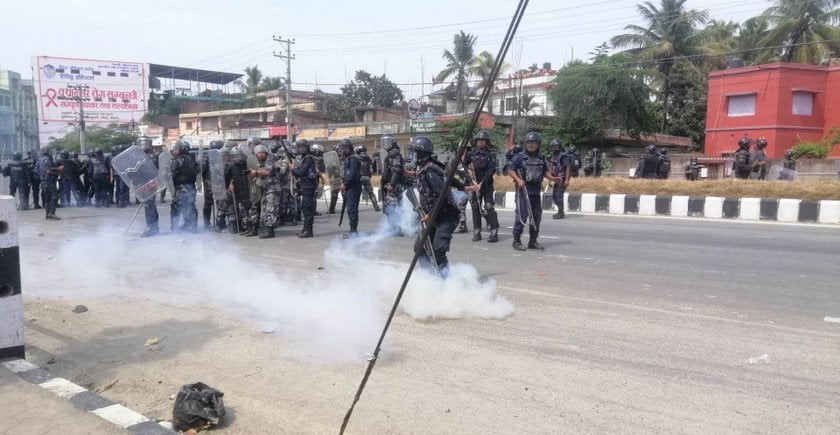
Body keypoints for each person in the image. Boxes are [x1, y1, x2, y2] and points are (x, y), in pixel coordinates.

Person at [410, 136, 478, 274]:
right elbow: (449, 178)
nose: (413, 155)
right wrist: (463, 187)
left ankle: (446, 281)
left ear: (421, 154)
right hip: (432, 216)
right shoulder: (426, 168)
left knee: (438, 250)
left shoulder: (429, 171)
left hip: (446, 215)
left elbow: (442, 195)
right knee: (420, 249)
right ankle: (430, 277)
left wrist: (430, 214)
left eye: (415, 152)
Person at [507, 132, 558, 251]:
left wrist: (552, 178)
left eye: (534, 143)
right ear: (525, 144)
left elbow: (545, 171)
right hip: (523, 190)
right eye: (529, 142)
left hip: (535, 191)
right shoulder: (519, 157)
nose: (531, 145)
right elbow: (510, 169)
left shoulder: (541, 158)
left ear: (538, 144)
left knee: (536, 217)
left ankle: (533, 241)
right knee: (522, 215)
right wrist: (518, 180)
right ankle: (516, 240)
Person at [463, 129, 501, 242]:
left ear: (487, 142)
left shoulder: (491, 155)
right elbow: (464, 164)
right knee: (475, 207)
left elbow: (491, 170)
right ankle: (477, 232)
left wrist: (482, 183)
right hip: (475, 183)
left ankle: (494, 231)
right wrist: (468, 173)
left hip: (486, 184)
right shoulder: (472, 154)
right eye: (478, 140)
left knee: (489, 206)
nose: (480, 142)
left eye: (483, 140)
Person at [247, 144, 284, 239]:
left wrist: (255, 172)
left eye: (263, 152)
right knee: (264, 210)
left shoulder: (269, 159)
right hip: (264, 189)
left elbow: (267, 172)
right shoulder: (257, 162)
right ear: (256, 154)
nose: (262, 154)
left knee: (271, 209)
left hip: (273, 189)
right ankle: (265, 229)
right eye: (259, 153)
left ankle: (270, 231)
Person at [291, 139, 319, 238]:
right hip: (305, 185)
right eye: (300, 147)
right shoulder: (303, 158)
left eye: (303, 147)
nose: (301, 149)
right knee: (304, 208)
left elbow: (301, 172)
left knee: (307, 209)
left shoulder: (308, 158)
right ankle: (305, 229)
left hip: (309, 185)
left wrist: (293, 169)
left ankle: (309, 231)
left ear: (307, 148)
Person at [380, 134, 407, 233]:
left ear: (393, 142)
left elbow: (397, 169)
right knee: (393, 206)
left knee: (391, 207)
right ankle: (395, 228)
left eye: (388, 142)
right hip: (393, 185)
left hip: (394, 186)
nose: (386, 144)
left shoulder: (394, 154)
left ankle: (395, 229)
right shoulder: (391, 153)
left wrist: (391, 183)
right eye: (385, 142)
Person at [170, 141, 199, 233]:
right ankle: (193, 226)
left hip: (180, 187)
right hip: (191, 187)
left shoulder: (176, 160)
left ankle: (174, 228)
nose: (173, 151)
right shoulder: (191, 159)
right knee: (190, 206)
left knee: (176, 207)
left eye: (176, 149)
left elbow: (171, 174)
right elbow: (197, 171)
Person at [135, 137, 160, 237]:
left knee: (149, 205)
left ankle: (151, 227)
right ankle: (154, 226)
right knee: (150, 205)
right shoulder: (141, 156)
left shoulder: (151, 157)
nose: (142, 146)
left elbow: (150, 172)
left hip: (149, 183)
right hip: (143, 183)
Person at [338, 139, 362, 238]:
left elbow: (352, 175)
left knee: (352, 209)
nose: (343, 150)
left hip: (353, 187)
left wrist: (345, 184)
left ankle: (353, 232)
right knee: (350, 209)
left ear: (350, 148)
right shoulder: (348, 159)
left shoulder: (353, 159)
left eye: (346, 148)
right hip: (350, 187)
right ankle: (352, 231)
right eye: (342, 148)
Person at [226, 147, 253, 234]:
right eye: (234, 156)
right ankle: (237, 226)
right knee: (235, 209)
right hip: (236, 191)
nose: (236, 158)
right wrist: (230, 183)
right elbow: (227, 178)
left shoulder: (247, 164)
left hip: (247, 190)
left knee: (246, 210)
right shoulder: (231, 166)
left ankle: (247, 227)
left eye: (237, 156)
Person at [548, 139, 571, 219]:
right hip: (556, 179)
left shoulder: (563, 156)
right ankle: (560, 212)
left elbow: (567, 167)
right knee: (554, 196)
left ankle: (561, 213)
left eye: (555, 146)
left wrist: (567, 180)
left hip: (562, 179)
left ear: (559, 146)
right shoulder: (553, 156)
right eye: (553, 146)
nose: (554, 148)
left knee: (559, 196)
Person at [38, 149, 64, 220]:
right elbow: (49, 170)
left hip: (44, 180)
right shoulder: (48, 159)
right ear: (48, 152)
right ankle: (52, 213)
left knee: (47, 198)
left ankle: (48, 214)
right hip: (49, 181)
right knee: (54, 197)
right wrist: (59, 169)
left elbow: (37, 170)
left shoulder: (40, 159)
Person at [355, 144, 381, 212]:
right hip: (367, 177)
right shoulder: (368, 158)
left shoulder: (356, 158)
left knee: (356, 193)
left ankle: (355, 208)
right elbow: (372, 168)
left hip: (359, 178)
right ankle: (376, 207)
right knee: (371, 193)